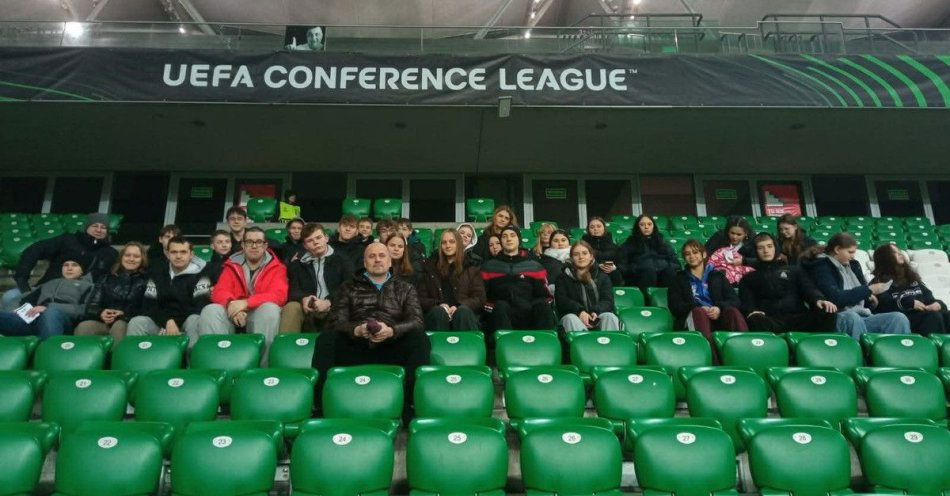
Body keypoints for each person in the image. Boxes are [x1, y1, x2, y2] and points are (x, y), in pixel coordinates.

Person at [311, 242, 428, 417]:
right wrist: (356, 330)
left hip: (391, 347)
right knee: (326, 338)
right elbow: (336, 321)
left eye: (382, 256)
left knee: (419, 338)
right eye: (372, 256)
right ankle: (320, 406)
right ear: (365, 263)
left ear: (390, 261)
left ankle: (411, 404)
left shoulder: (406, 288)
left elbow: (416, 321)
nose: (377, 260)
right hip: (357, 346)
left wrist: (392, 330)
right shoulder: (348, 287)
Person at [199, 227, 288, 355]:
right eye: (249, 242)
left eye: (259, 242)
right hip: (233, 313)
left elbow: (279, 295)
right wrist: (231, 305)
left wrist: (246, 303)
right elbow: (220, 290)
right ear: (243, 245)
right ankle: (217, 362)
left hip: (259, 313)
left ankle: (263, 365)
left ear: (265, 246)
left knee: (269, 309)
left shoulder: (277, 267)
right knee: (211, 310)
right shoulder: (231, 264)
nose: (254, 246)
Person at [2, 213, 117, 311]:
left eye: (103, 227)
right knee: (9, 296)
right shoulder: (68, 240)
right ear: (86, 227)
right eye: (95, 226)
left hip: (77, 296)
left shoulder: (110, 253)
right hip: (45, 289)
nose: (99, 230)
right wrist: (22, 279)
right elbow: (34, 250)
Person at [806, 233, 910, 338]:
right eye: (850, 252)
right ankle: (861, 349)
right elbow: (835, 298)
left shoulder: (854, 265)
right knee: (853, 318)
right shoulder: (821, 266)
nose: (853, 256)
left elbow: (862, 295)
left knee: (898, 318)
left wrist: (870, 300)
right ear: (837, 249)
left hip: (863, 316)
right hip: (837, 317)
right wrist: (868, 290)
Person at [738, 233, 839, 333]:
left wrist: (819, 299)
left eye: (769, 246)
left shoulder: (794, 270)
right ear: (755, 251)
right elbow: (747, 302)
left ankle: (822, 343)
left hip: (798, 318)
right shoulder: (748, 278)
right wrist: (751, 311)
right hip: (771, 320)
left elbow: (808, 289)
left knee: (828, 310)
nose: (766, 251)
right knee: (755, 319)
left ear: (775, 247)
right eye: (761, 248)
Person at [668, 240, 748, 355]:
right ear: (684, 258)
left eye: (695, 252)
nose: (692, 256)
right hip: (692, 318)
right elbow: (675, 306)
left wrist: (719, 308)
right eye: (687, 254)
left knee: (732, 311)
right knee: (699, 313)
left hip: (717, 317)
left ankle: (745, 353)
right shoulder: (678, 279)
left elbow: (735, 300)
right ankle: (712, 359)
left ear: (704, 254)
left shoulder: (717, 276)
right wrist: (698, 307)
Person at [127, 237, 211, 344]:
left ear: (191, 254)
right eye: (174, 252)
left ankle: (193, 354)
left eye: (183, 252)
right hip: (161, 323)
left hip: (186, 324)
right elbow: (149, 305)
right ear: (167, 254)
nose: (178, 256)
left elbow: (200, 307)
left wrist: (175, 323)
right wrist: (167, 321)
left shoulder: (201, 276)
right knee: (137, 322)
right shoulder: (157, 273)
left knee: (194, 319)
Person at [280, 223, 353, 333]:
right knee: (291, 307)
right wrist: (304, 299)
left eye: (318, 237)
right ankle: (286, 343)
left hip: (335, 305)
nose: (316, 242)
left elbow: (349, 287)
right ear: (305, 245)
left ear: (326, 238)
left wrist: (328, 302)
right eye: (310, 240)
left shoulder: (343, 260)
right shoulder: (297, 265)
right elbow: (293, 291)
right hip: (309, 307)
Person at [480, 226, 555, 331]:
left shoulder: (534, 266)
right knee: (501, 306)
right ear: (501, 241)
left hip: (529, 314)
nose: (509, 239)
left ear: (519, 240)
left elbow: (546, 297)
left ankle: (546, 340)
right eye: (504, 236)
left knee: (542, 306)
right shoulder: (488, 267)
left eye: (512, 235)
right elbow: (482, 297)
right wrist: (493, 308)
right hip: (500, 315)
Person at [0, 257, 93, 340]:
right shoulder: (49, 283)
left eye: (74, 265)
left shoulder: (89, 286)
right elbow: (23, 299)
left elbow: (84, 309)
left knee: (51, 313)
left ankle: (49, 351)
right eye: (66, 265)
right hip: (34, 320)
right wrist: (15, 310)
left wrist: (48, 307)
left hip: (62, 321)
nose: (69, 268)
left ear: (82, 270)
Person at [74, 242, 149, 343]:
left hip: (129, 323)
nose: (131, 259)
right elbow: (91, 307)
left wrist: (123, 314)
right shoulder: (105, 278)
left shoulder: (148, 281)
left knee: (119, 325)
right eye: (127, 255)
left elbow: (147, 310)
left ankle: (118, 354)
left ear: (142, 259)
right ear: (121, 257)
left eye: (136, 256)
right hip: (104, 323)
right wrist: (101, 313)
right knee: (84, 327)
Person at [871, 244, 950, 335]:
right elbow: (884, 306)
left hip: (924, 316)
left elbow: (929, 298)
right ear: (885, 258)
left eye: (899, 251)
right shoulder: (878, 282)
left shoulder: (912, 279)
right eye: (894, 253)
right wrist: (910, 303)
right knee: (933, 317)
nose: (900, 254)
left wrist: (938, 304)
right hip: (903, 320)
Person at [416, 229, 485, 331]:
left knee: (462, 312)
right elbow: (420, 298)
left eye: (452, 242)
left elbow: (479, 298)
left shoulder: (471, 267)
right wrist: (438, 304)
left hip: (464, 316)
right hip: (438, 316)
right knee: (438, 312)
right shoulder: (430, 267)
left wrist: (459, 306)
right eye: (444, 242)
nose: (447, 245)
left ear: (459, 244)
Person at [555, 241, 620, 332]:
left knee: (610, 316)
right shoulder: (563, 278)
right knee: (570, 318)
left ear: (591, 256)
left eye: (584, 253)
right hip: (575, 315)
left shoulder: (602, 276)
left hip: (597, 315)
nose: (581, 257)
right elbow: (562, 301)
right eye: (576, 254)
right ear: (571, 258)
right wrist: (580, 311)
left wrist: (595, 311)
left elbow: (607, 301)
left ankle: (608, 341)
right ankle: (580, 341)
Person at [618, 214, 679, 293]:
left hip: (663, 275)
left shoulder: (662, 241)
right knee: (649, 271)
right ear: (637, 227)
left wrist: (668, 266)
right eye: (642, 224)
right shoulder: (630, 243)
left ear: (653, 226)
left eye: (649, 224)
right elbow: (622, 265)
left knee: (670, 271)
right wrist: (636, 268)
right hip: (640, 277)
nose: (646, 227)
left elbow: (675, 261)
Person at [706, 216, 756, 285]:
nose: (735, 237)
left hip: (742, 276)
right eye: (732, 233)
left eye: (739, 234)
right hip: (718, 274)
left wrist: (743, 261)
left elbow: (757, 261)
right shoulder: (719, 237)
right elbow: (706, 253)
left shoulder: (752, 243)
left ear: (746, 234)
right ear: (728, 231)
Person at [582, 217, 623, 287]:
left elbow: (623, 264)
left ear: (604, 228)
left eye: (599, 226)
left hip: (613, 277)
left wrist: (615, 267)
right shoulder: (583, 247)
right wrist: (597, 266)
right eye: (592, 227)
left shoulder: (615, 247)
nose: (595, 229)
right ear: (588, 230)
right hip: (591, 277)